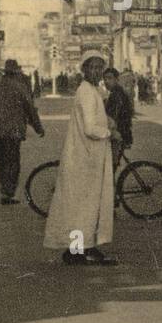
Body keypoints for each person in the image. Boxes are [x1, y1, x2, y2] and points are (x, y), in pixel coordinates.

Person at [44, 56, 118, 266]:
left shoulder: (91, 90)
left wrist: (108, 122)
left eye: (99, 68)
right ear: (84, 70)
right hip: (85, 159)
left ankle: (81, 249)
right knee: (84, 206)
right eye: (92, 67)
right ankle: (80, 250)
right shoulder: (86, 91)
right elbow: (90, 128)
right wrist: (110, 133)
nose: (96, 72)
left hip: (88, 157)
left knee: (84, 206)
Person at [0, 59, 44, 204]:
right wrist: (38, 127)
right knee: (13, 161)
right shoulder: (20, 88)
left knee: (2, 160)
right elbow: (30, 110)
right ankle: (9, 192)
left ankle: (4, 191)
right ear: (15, 73)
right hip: (14, 132)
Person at [104, 67, 134, 162]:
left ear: (117, 79)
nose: (106, 81)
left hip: (118, 135)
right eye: (104, 78)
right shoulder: (116, 92)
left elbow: (113, 116)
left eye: (109, 78)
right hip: (122, 134)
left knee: (109, 167)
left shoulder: (116, 94)